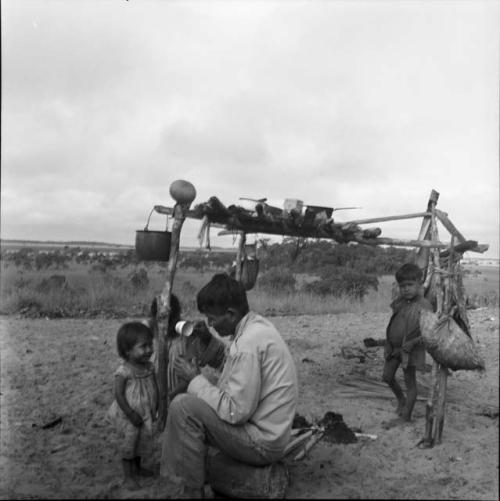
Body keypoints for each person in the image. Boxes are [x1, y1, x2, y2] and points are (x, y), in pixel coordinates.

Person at [158, 273, 299, 498]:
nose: (210, 325)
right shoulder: (254, 327)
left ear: (231, 314)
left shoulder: (247, 345)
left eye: (212, 319)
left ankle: (193, 490)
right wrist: (209, 341)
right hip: (271, 433)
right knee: (205, 388)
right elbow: (233, 365)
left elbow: (236, 411)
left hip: (262, 443)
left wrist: (194, 378)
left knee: (183, 406)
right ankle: (198, 470)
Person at [107, 322, 158, 490]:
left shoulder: (149, 367)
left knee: (140, 441)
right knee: (128, 444)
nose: (149, 350)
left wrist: (156, 406)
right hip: (128, 417)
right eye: (143, 346)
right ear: (127, 350)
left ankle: (138, 468)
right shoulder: (124, 371)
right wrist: (130, 413)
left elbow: (154, 387)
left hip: (145, 413)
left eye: (150, 345)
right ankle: (128, 475)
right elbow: (118, 394)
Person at [382, 263, 433, 422]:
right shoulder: (399, 302)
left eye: (410, 285)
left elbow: (429, 334)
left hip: (411, 351)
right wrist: (388, 343)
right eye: (402, 285)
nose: (406, 289)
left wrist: (410, 344)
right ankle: (401, 400)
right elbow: (393, 323)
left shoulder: (424, 305)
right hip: (394, 348)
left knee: (410, 384)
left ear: (420, 283)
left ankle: (406, 417)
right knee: (387, 377)